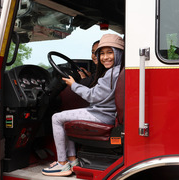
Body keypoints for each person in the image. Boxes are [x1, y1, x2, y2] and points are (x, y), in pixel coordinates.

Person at [42, 34, 124, 177]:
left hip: (103, 115)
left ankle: (62, 163)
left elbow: (92, 96)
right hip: (106, 113)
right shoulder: (116, 71)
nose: (105, 57)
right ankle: (73, 160)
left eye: (110, 52)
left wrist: (73, 85)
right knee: (64, 118)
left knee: (56, 117)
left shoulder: (112, 73)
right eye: (102, 54)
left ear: (118, 53)